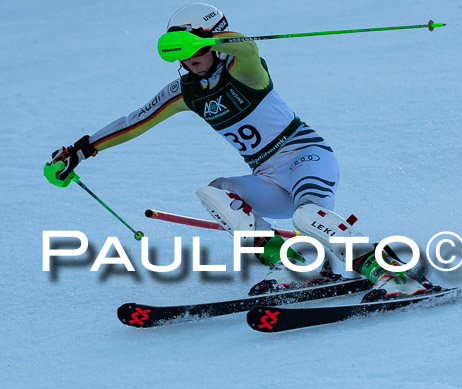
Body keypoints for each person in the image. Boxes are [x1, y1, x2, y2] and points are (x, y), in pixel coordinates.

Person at [48, 2, 428, 301]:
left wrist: (211, 38)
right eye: (181, 51)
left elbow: (246, 46)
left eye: (196, 47)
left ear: (214, 40)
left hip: (306, 158)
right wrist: (80, 151)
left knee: (307, 216)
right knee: (214, 191)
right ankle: (296, 265)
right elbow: (135, 120)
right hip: (268, 178)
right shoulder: (186, 91)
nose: (190, 58)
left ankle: (391, 273)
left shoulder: (244, 69)